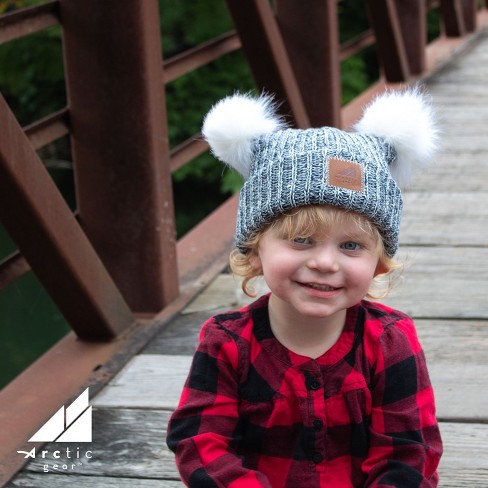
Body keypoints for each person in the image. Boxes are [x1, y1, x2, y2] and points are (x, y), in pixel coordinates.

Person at [167, 89, 443, 487]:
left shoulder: (390, 342)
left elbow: (408, 452)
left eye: (351, 246)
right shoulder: (225, 344)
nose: (325, 262)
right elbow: (200, 443)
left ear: (378, 263)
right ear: (255, 248)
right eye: (300, 240)